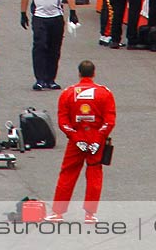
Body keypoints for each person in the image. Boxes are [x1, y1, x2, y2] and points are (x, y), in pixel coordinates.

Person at [51, 58, 115, 219]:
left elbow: (63, 121)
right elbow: (110, 121)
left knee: (67, 173)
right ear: (94, 73)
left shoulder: (67, 93)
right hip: (96, 139)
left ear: (79, 73)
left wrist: (76, 138)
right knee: (94, 174)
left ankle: (58, 213)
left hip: (76, 140)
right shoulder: (105, 93)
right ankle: (90, 215)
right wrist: (97, 140)